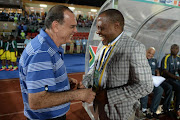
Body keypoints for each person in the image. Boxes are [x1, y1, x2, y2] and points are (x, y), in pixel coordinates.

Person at [19, 5, 96, 120]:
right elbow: (37, 101)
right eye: (72, 26)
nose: (76, 30)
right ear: (55, 26)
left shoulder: (49, 47)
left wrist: (62, 82)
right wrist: (78, 94)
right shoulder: (42, 53)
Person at [78, 9, 153, 120]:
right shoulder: (102, 44)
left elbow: (146, 86)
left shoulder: (134, 47)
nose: (97, 32)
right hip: (100, 106)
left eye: (101, 28)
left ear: (116, 26)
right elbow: (95, 69)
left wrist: (108, 96)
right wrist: (85, 82)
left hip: (120, 113)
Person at [140, 47, 173, 119]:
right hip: (144, 79)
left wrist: (157, 72)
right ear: (146, 52)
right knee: (146, 88)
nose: (150, 55)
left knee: (160, 89)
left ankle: (153, 110)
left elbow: (156, 68)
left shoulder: (154, 60)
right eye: (149, 53)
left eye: (152, 54)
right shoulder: (141, 59)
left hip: (153, 79)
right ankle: (144, 110)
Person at [161, 44, 180, 119]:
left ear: (178, 50)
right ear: (170, 49)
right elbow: (165, 71)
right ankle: (176, 107)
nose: (175, 50)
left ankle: (176, 107)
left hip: (176, 78)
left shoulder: (179, 58)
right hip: (167, 79)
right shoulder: (166, 58)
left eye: (176, 48)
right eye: (173, 48)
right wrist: (176, 77)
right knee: (178, 87)